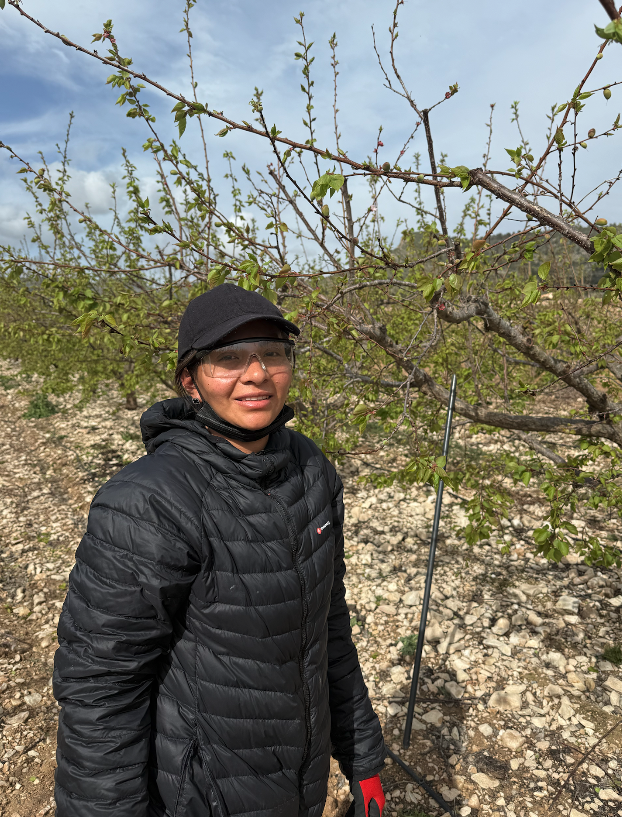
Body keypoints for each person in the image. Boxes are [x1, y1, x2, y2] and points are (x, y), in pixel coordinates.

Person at [53, 284, 387, 817]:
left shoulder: (309, 469)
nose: (256, 374)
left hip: (300, 782)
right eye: (228, 359)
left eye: (273, 354)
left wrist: (362, 755)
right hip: (203, 795)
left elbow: (329, 626)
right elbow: (102, 689)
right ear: (191, 379)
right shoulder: (148, 501)